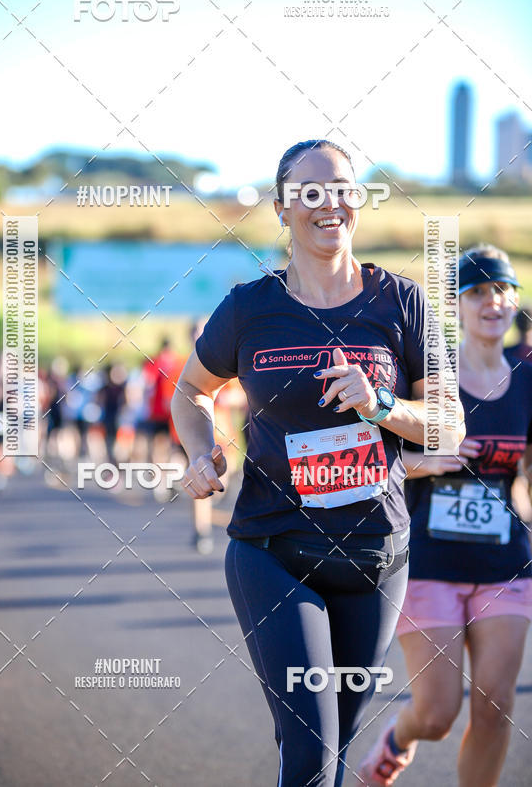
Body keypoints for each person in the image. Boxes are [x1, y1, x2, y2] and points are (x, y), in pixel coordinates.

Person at [171, 139, 464, 786]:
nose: (328, 202)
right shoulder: (251, 308)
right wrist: (201, 450)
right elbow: (191, 390)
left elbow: (450, 421)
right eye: (309, 191)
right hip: (273, 549)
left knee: (331, 748)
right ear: (282, 209)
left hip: (376, 558)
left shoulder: (401, 303)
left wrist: (382, 403)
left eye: (341, 187)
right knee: (309, 746)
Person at [357, 245, 532, 786]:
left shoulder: (527, 378)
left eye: (502, 290)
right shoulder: (431, 377)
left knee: (496, 705)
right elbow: (377, 461)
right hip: (428, 559)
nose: (492, 301)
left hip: (506, 563)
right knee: (436, 715)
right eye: (477, 291)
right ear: (455, 306)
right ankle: (395, 741)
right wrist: (430, 462)